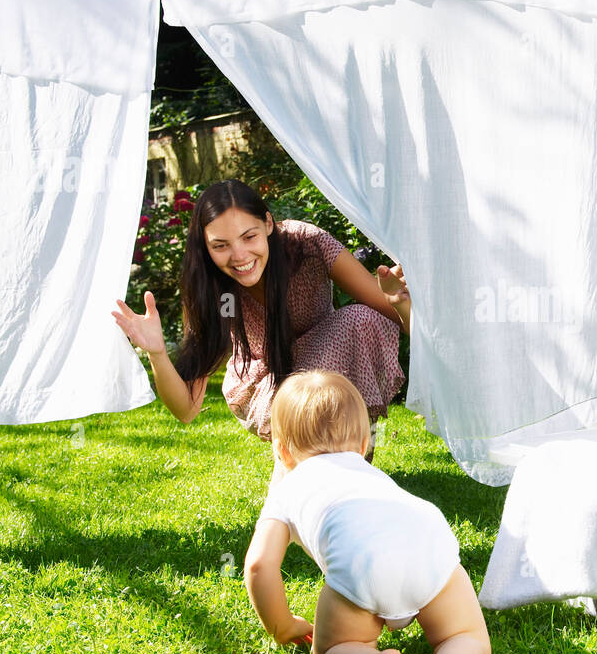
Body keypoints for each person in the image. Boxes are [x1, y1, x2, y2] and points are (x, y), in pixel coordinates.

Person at [244, 370, 491, 654]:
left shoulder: (286, 486)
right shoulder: (365, 471)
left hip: (363, 566)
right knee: (467, 636)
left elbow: (260, 565)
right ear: (363, 445)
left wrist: (284, 627)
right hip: (429, 540)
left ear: (282, 452)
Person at [112, 179, 409, 482]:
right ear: (205, 246)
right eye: (220, 246)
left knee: (359, 320)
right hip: (267, 384)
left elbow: (396, 315)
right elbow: (186, 409)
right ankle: (293, 486)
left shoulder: (307, 244)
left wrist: (399, 300)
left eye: (248, 236)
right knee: (319, 388)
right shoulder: (214, 288)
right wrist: (157, 352)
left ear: (268, 224)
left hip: (333, 368)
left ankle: (344, 470)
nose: (239, 255)